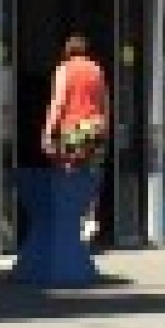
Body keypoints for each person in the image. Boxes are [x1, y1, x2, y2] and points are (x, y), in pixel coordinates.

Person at [42, 33, 109, 244]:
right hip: (95, 127)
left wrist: (48, 131)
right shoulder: (97, 70)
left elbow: (59, 101)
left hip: (74, 129)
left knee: (68, 175)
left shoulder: (64, 69)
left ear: (68, 51)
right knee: (90, 175)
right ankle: (89, 219)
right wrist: (104, 128)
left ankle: (72, 223)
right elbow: (104, 102)